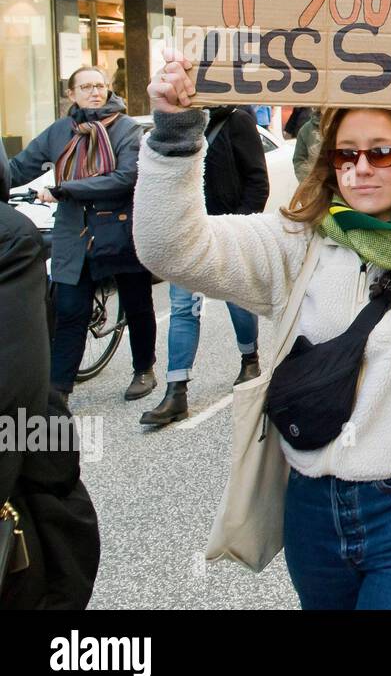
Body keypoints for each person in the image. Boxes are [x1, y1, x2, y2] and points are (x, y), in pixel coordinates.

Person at [133, 51, 391, 610]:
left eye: (382, 152)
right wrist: (176, 135)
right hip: (311, 509)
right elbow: (171, 250)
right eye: (346, 154)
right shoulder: (294, 241)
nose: (362, 167)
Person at [6, 67, 157, 403]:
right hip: (74, 232)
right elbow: (18, 169)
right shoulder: (60, 131)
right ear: (71, 94)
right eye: (86, 87)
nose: (95, 92)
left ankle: (144, 368)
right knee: (70, 311)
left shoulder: (125, 129)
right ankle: (58, 391)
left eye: (100, 86)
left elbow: (125, 177)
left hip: (118, 229)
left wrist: (65, 190)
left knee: (137, 304)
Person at [0, 191, 100, 609]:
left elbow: (12, 397)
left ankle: (157, 373)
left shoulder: (9, 239)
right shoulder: (66, 139)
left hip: (100, 243)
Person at [141, 104, 270, 427]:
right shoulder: (179, 124)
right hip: (188, 235)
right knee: (183, 309)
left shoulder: (237, 121)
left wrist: (239, 227)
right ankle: (176, 391)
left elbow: (257, 180)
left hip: (227, 231)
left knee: (238, 301)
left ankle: (250, 358)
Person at [292, 109, 321, 182]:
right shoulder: (306, 130)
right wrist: (310, 184)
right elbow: (299, 160)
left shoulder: (343, 125)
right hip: (315, 186)